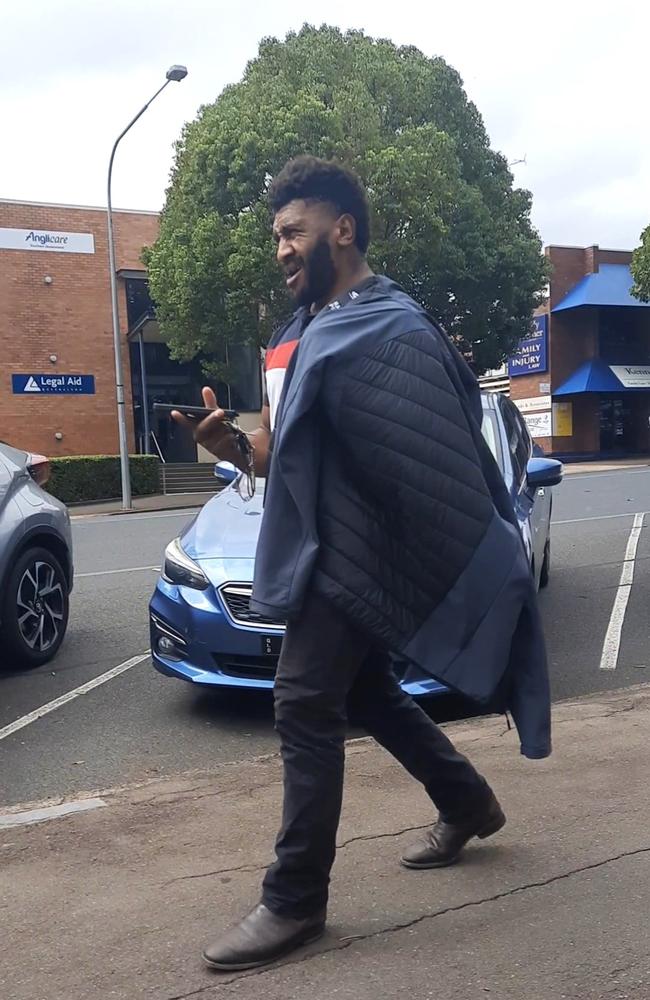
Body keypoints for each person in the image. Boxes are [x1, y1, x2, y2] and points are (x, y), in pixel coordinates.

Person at [173, 156, 551, 973]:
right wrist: (234, 447)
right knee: (369, 692)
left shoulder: (397, 327)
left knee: (304, 702)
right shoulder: (299, 334)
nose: (280, 248)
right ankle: (467, 800)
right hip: (318, 544)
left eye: (292, 231)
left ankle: (295, 901)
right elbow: (280, 450)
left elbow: (433, 461)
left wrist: (460, 551)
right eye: (276, 235)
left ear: (341, 230)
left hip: (363, 555)